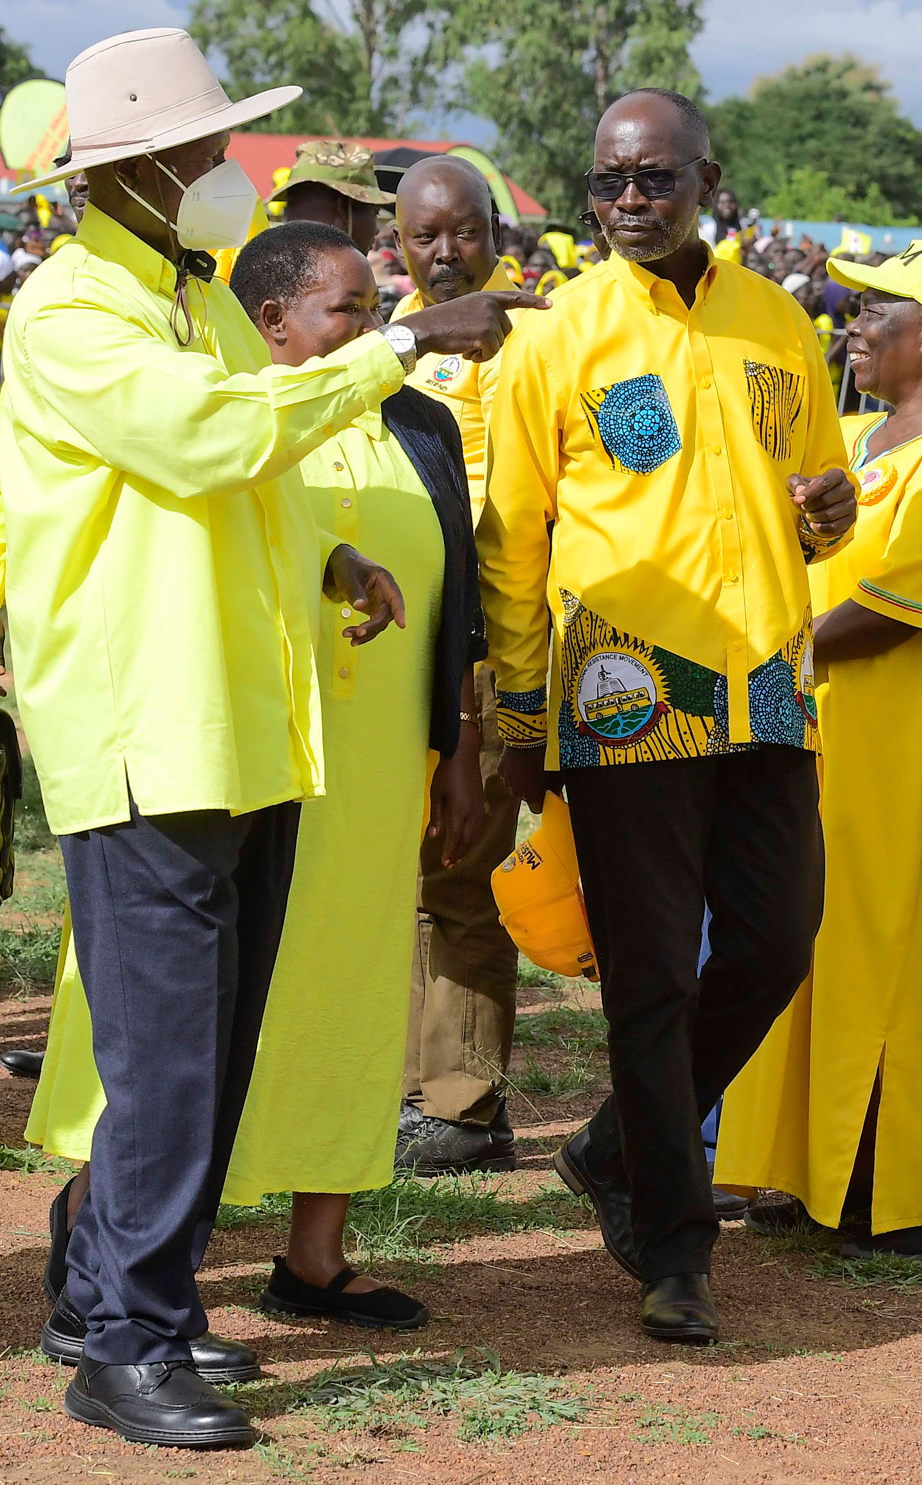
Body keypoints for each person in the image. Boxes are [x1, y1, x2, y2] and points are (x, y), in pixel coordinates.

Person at [0, 28, 537, 1448]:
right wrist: (409, 343)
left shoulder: (192, 302)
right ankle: (122, 1339)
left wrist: (325, 564)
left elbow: (263, 466)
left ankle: (145, 1308)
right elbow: (205, 441)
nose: (220, 170)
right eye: (197, 151)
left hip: (245, 730)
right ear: (132, 173)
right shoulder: (70, 312)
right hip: (149, 732)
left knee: (211, 1051)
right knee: (166, 1057)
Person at [28, 218, 487, 1348]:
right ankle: (108, 1274)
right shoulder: (187, 378)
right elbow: (214, 474)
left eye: (377, 313)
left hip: (364, 773)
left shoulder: (416, 422)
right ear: (270, 323)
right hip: (222, 753)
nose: (371, 329)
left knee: (328, 1004)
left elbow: (454, 595)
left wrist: (459, 738)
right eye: (349, 312)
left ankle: (293, 1258)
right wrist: (406, 342)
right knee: (165, 1025)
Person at [476, 88, 857, 1346]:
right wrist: (521, 712)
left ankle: (613, 1145)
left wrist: (834, 513)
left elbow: (816, 484)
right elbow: (512, 540)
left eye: (653, 180)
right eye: (607, 183)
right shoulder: (560, 335)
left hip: (765, 682)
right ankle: (675, 1247)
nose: (629, 202)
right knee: (651, 972)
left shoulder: (779, 321)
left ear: (707, 177)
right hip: (621, 690)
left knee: (775, 938)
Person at [716, 241, 922, 1260]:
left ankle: (907, 1195)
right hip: (821, 735)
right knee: (812, 947)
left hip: (908, 751)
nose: (851, 321)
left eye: (873, 308)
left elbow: (895, 612)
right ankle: (801, 1170)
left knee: (900, 961)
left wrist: (761, 652)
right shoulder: (857, 436)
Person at [387, 154, 529, 1177]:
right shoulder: (387, 343)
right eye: (423, 238)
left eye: (463, 234)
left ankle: (466, 1103)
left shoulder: (536, 342)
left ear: (496, 233)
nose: (445, 256)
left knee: (462, 874)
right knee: (405, 876)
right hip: (399, 647)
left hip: (491, 650)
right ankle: (416, 1088)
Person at [272, 140, 392, 256]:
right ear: (344, 210)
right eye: (375, 213)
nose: (376, 230)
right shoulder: (348, 274)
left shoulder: (265, 267)